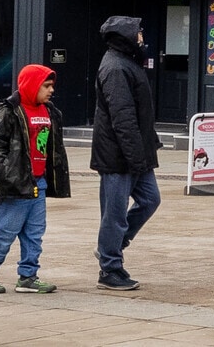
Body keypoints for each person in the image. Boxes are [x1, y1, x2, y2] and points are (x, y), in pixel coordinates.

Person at [0, 63, 70, 294]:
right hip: (15, 183)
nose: (51, 90)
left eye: (52, 86)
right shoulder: (10, 110)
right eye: (46, 86)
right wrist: (8, 175)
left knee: (35, 233)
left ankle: (28, 276)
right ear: (32, 85)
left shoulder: (50, 111)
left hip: (39, 182)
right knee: (6, 231)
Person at [90, 15, 161, 292]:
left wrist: (146, 149)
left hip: (136, 154)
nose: (142, 36)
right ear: (126, 37)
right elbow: (123, 117)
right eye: (138, 32)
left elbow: (139, 114)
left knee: (150, 200)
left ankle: (112, 244)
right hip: (118, 156)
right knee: (115, 213)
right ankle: (110, 268)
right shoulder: (115, 67)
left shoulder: (128, 62)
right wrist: (135, 159)